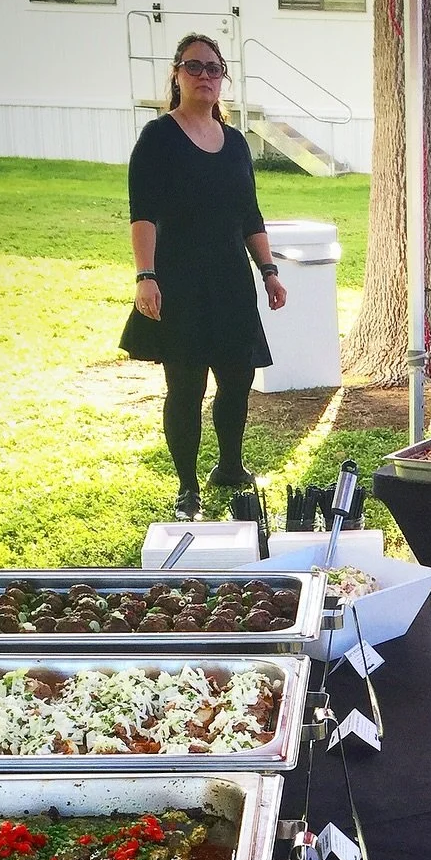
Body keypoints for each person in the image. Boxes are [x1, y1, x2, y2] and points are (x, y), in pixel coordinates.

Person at [120, 33, 286, 522]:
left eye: (215, 69)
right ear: (176, 74)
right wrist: (145, 275)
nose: (207, 76)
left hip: (231, 280)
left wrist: (270, 270)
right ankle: (187, 485)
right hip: (180, 281)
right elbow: (142, 213)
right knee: (187, 385)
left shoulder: (235, 143)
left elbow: (249, 214)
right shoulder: (158, 137)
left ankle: (230, 467)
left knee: (238, 377)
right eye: (195, 67)